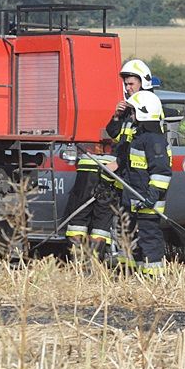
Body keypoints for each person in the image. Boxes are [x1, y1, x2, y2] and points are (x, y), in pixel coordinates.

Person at [62, 59, 152, 260]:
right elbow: (115, 133)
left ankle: (93, 264)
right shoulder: (129, 108)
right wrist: (117, 116)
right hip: (109, 171)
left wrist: (119, 164)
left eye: (131, 84)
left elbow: (140, 145)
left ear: (143, 83)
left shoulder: (147, 109)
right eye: (126, 84)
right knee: (89, 218)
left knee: (104, 219)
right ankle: (83, 264)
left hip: (121, 172)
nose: (128, 88)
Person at [121, 90, 172, 275]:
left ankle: (153, 276)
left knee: (150, 239)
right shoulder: (139, 137)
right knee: (135, 239)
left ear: (143, 113)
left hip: (149, 202)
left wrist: (151, 197)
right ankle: (135, 275)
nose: (131, 116)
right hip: (136, 199)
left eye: (134, 112)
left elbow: (162, 172)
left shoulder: (153, 140)